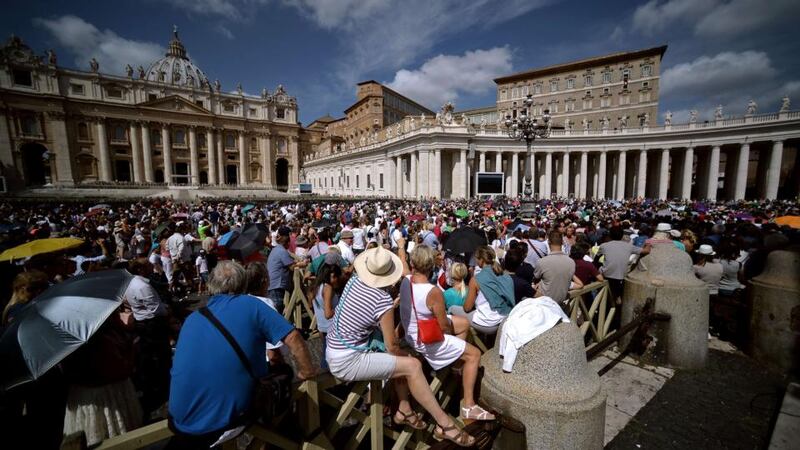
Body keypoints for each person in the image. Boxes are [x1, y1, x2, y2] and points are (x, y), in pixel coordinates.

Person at [326, 241, 476, 447]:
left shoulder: (354, 281)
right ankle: (445, 424)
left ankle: (404, 408)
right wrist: (410, 357)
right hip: (348, 359)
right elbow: (392, 347)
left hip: (335, 346)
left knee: (402, 363)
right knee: (412, 365)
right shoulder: (382, 300)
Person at [167, 261, 315, 449]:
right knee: (283, 373)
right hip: (222, 422)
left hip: (179, 418)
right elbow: (293, 337)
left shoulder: (194, 317)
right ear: (242, 284)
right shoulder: (251, 305)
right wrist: (307, 371)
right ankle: (288, 438)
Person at [399, 246, 494, 422]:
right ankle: (468, 405)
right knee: (474, 354)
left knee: (463, 322)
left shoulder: (406, 280)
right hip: (426, 340)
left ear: (413, 263)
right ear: (431, 264)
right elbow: (443, 326)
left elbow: (403, 265)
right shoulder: (433, 291)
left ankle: (456, 364)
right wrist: (451, 335)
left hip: (411, 333)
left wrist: (400, 246)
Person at [125, 258, 171, 420]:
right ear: (140, 269)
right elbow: (156, 309)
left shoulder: (134, 283)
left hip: (144, 322)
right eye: (148, 265)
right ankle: (163, 388)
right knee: (161, 356)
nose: (152, 266)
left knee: (153, 356)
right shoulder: (141, 286)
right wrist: (167, 310)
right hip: (152, 324)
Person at [451, 246, 515, 334]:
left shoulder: (476, 279)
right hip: (505, 318)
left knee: (452, 309)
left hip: (488, 322)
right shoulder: (505, 276)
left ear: (481, 260)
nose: (476, 262)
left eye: (476, 259)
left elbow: (467, 308)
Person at [597, 226, 650, 304]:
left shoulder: (604, 245)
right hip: (621, 276)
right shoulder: (629, 246)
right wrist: (649, 243)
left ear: (610, 235)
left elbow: (595, 260)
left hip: (606, 275)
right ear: (622, 236)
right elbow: (646, 251)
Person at [267, 226, 308, 312]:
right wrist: (303, 264)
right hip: (277, 286)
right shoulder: (282, 251)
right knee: (277, 311)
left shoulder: (276, 250)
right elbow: (292, 266)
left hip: (274, 285)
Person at [534, 230, 582, 304]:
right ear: (562, 242)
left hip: (544, 303)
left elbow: (536, 278)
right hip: (561, 303)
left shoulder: (541, 262)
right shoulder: (571, 262)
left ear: (549, 242)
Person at [312, 261, 343, 369]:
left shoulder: (317, 286)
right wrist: (342, 307)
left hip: (322, 328)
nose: (337, 280)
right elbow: (328, 313)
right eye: (335, 277)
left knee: (326, 357)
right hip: (331, 328)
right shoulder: (328, 288)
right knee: (331, 361)